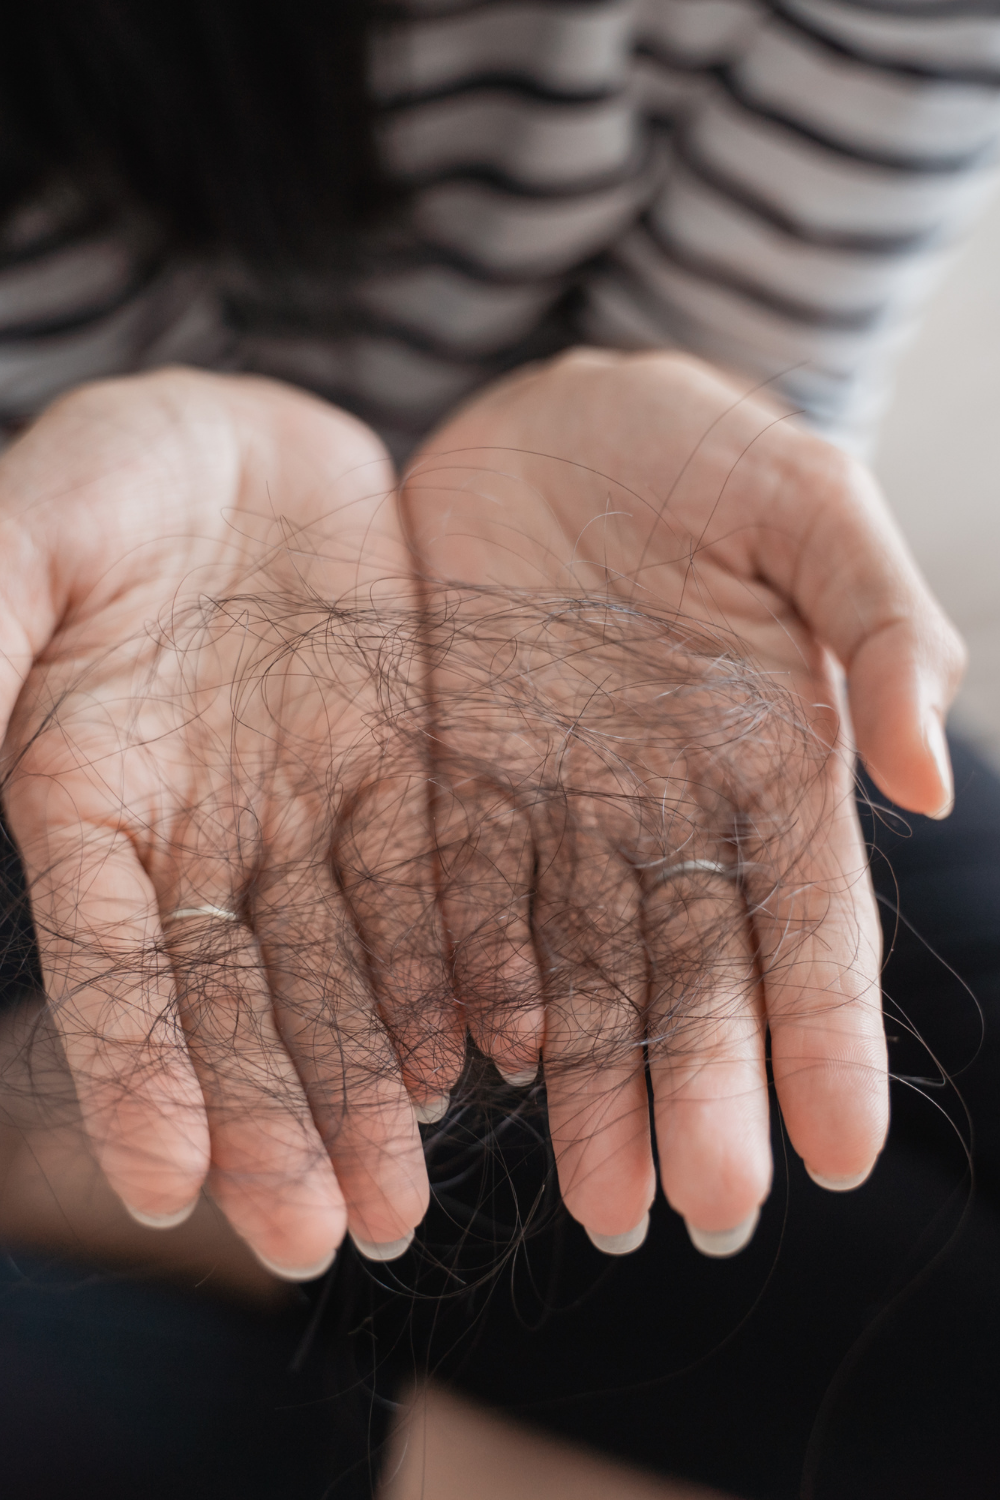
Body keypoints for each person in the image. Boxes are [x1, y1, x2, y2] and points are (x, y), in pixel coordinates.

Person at [0, 3, 998, 1497]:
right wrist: (102, 431)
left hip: (634, 648)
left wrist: (698, 428)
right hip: (106, 706)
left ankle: (106, 1166)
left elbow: (749, 347)